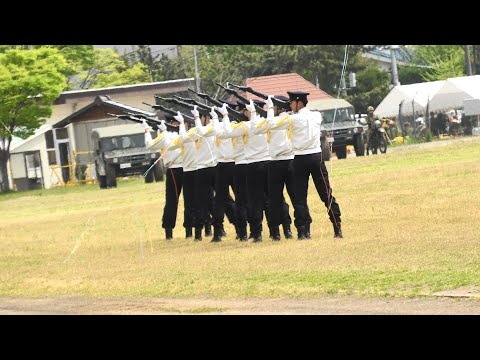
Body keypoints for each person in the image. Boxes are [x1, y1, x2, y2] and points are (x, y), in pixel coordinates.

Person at [269, 91, 343, 239]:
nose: (290, 105)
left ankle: (303, 231)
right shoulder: (315, 115)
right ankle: (337, 226)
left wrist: (271, 108)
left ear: (298, 102)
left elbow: (271, 124)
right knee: (326, 193)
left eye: (291, 102)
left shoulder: (293, 119)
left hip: (300, 159)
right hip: (316, 156)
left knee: (300, 197)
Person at [250, 95, 295, 240]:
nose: (272, 109)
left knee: (282, 199)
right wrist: (257, 113)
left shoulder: (288, 118)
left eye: (274, 106)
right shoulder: (270, 119)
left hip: (287, 160)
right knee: (274, 199)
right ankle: (275, 231)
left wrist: (268, 110)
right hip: (274, 161)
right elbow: (256, 130)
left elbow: (272, 124)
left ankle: (287, 228)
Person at [143, 115, 183, 240]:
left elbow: (149, 145)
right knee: (189, 200)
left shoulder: (167, 136)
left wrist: (147, 131)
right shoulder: (183, 133)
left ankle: (169, 231)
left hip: (177, 170)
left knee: (172, 201)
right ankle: (191, 231)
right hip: (185, 168)